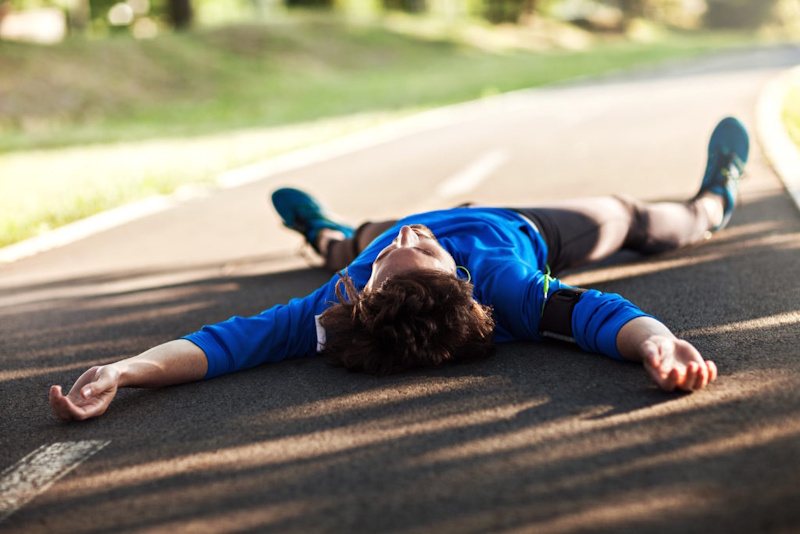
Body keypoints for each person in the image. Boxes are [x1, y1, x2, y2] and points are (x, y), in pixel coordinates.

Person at [49, 117, 750, 421]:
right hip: (518, 225)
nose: (411, 236)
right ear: (461, 278)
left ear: (363, 293)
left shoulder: (341, 298)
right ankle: (715, 200)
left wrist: (125, 370)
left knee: (360, 235)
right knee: (637, 219)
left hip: (368, 256)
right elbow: (605, 318)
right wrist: (659, 342)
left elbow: (221, 346)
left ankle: (326, 232)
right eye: (417, 250)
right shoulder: (507, 285)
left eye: (389, 262)